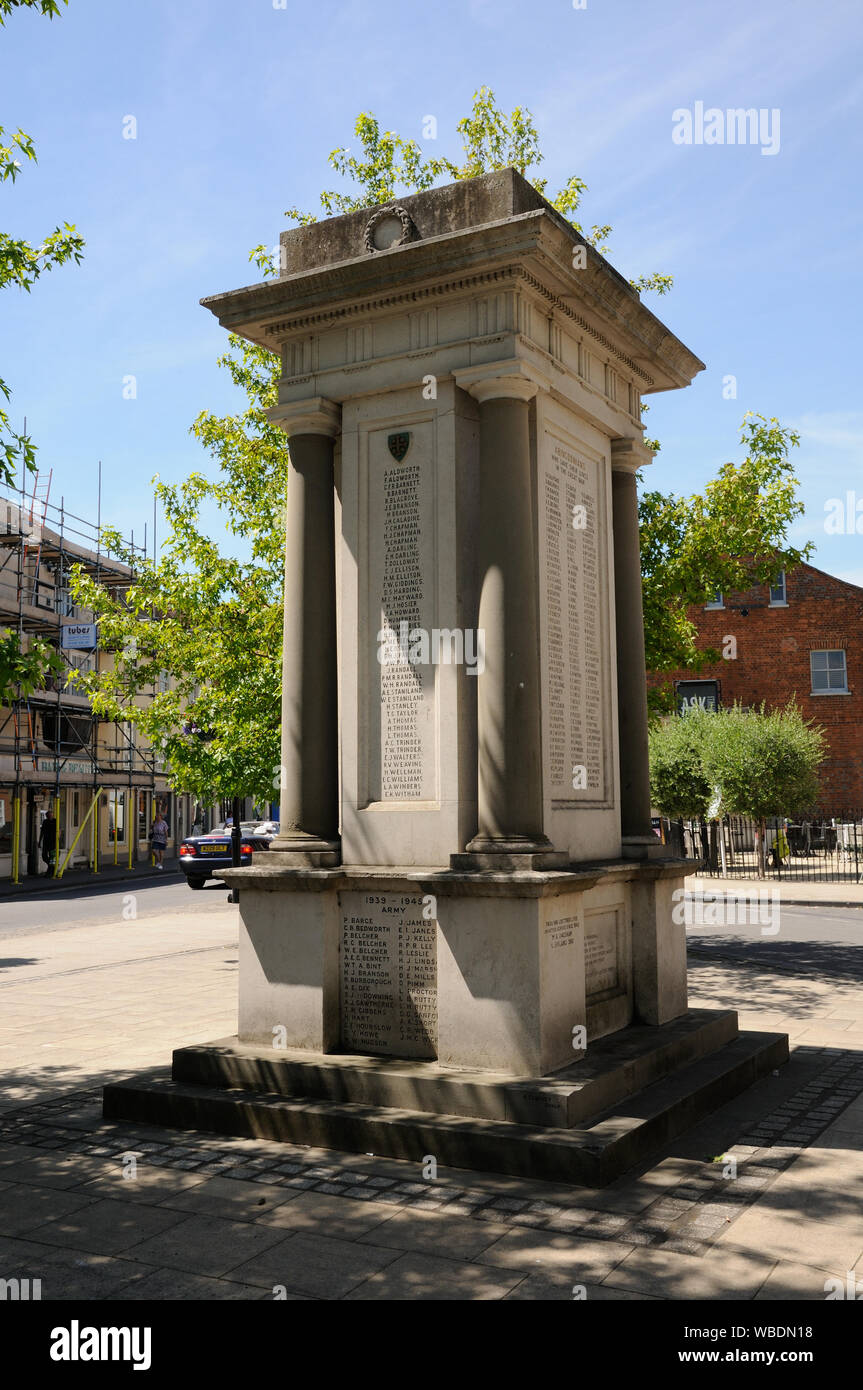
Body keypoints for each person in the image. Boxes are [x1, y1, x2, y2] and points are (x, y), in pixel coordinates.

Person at [38, 808, 58, 877]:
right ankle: (52, 867)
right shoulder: (45, 822)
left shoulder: (56, 821)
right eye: (48, 816)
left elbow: (59, 830)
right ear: (46, 816)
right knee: (44, 856)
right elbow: (42, 832)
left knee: (52, 857)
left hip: (53, 842)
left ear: (52, 815)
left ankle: (50, 872)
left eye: (50, 815)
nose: (49, 817)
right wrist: (39, 841)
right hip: (46, 841)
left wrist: (57, 840)